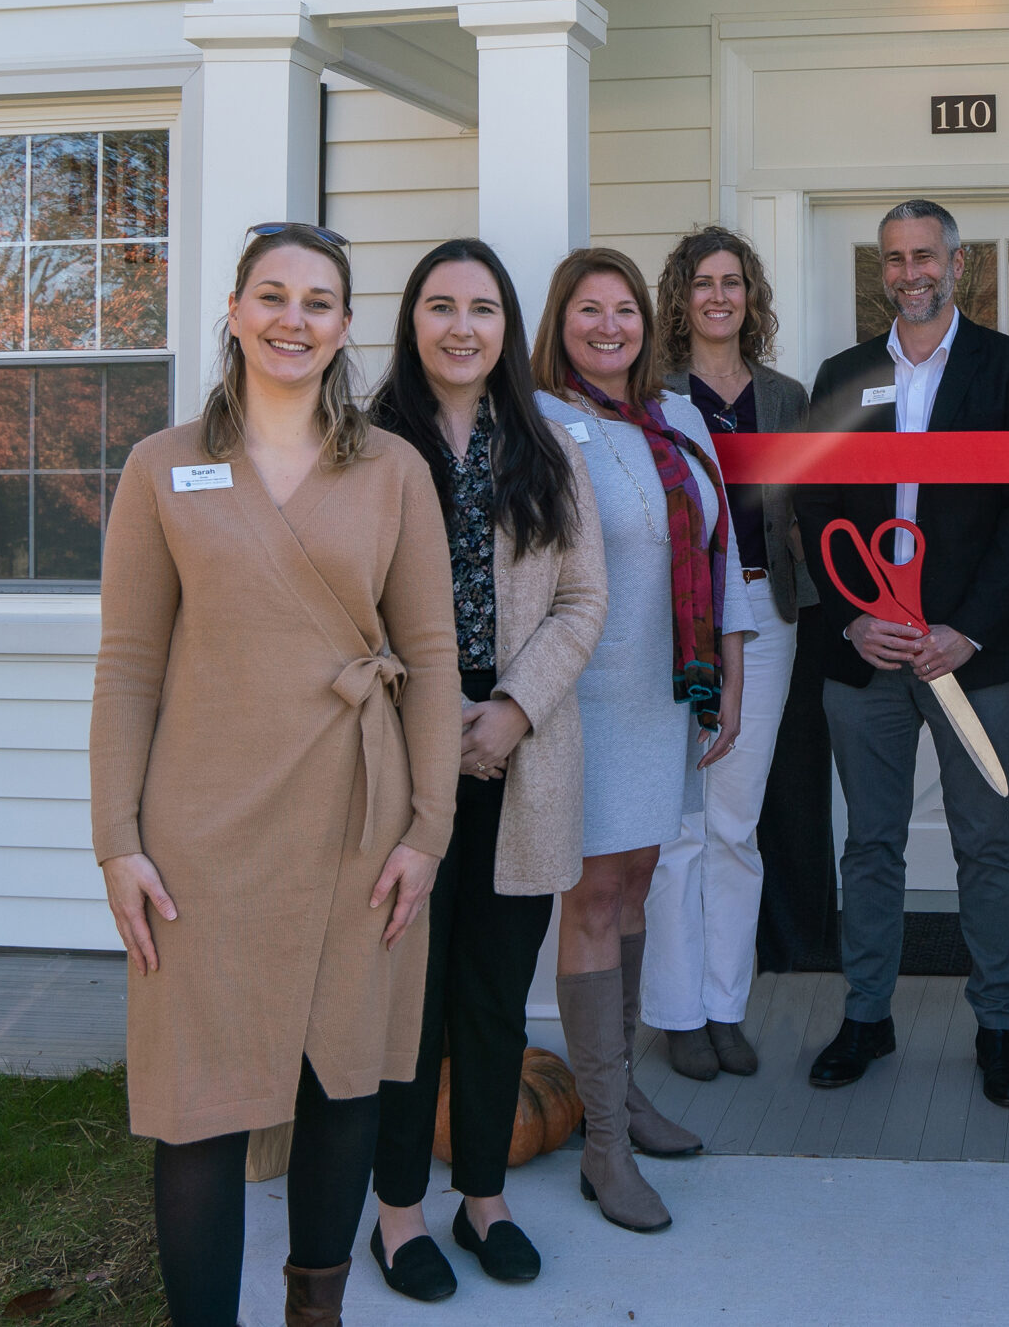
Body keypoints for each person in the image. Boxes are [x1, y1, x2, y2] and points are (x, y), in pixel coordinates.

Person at [90, 223, 463, 1327]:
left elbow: (433, 659)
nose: (292, 319)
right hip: (200, 836)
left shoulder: (393, 469)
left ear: (345, 327)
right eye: (271, 295)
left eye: (317, 301)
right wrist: (117, 841)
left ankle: (315, 1311)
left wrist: (428, 830)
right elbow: (128, 664)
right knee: (197, 1107)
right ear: (236, 312)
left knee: (344, 1079)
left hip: (358, 821)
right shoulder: (163, 467)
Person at [364, 239, 607, 1299]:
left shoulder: (547, 447)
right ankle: (397, 1213)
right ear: (412, 321)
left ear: (508, 328)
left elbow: (583, 599)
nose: (462, 327)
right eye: (441, 306)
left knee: (495, 994)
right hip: (397, 754)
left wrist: (510, 708)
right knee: (406, 1001)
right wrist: (425, 714)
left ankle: (483, 1199)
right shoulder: (365, 443)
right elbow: (336, 603)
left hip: (519, 753)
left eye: (483, 309)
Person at [798, 198, 1009, 1107]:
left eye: (925, 255)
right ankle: (866, 1015)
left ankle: (998, 1027)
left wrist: (967, 628)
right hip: (866, 654)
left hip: (967, 657)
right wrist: (851, 618)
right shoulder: (846, 374)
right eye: (895, 259)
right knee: (870, 843)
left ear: (957, 263)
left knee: (985, 842)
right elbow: (815, 505)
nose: (911, 273)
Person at [533, 248, 755, 1233]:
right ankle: (603, 1144)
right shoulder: (541, 420)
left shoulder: (677, 416)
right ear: (560, 321)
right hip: (585, 697)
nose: (609, 326)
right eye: (589, 309)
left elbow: (722, 550)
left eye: (624, 309)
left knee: (636, 889)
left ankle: (619, 1098)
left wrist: (730, 677)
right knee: (593, 898)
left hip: (668, 694)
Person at [643, 227, 817, 1081]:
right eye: (704, 283)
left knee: (734, 826)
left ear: (752, 296)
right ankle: (677, 1014)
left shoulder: (785, 395)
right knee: (677, 825)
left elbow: (809, 507)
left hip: (766, 616)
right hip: (674, 619)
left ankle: (724, 1007)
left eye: (733, 282)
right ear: (680, 298)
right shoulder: (651, 393)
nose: (719, 296)